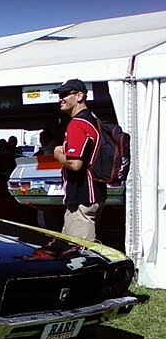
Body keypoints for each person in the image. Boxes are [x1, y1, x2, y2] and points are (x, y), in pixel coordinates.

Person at [52, 79, 106, 241]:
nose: (60, 99)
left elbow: (75, 164)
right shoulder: (94, 120)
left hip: (82, 197)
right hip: (95, 193)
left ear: (80, 96)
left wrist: (58, 155)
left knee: (80, 255)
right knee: (67, 248)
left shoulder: (77, 124)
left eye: (65, 95)